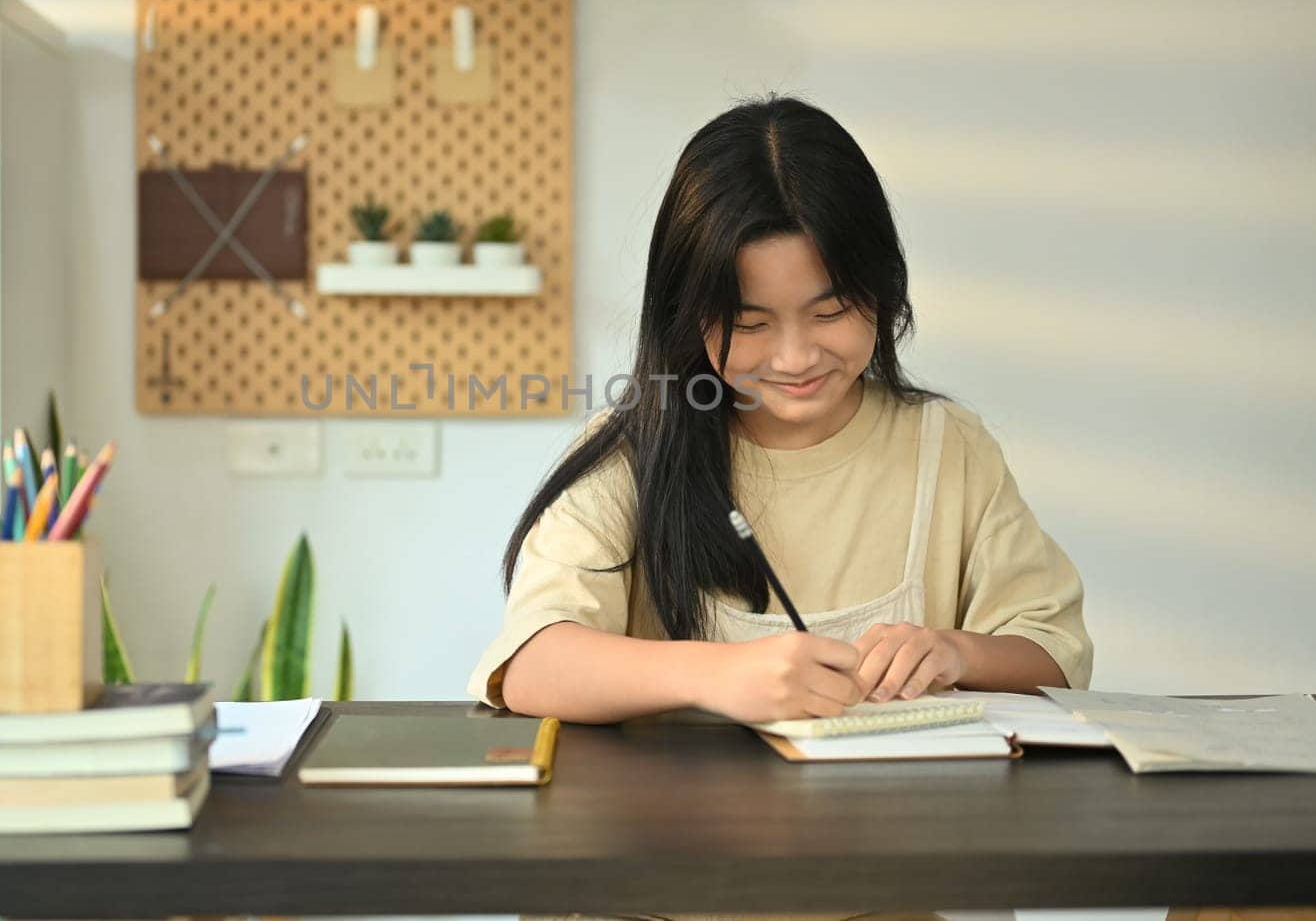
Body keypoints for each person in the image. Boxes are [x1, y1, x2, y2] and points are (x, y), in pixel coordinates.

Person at [467, 95, 1093, 921]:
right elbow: (533, 663)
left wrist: (954, 651)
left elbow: (1053, 652)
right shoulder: (634, 451)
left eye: (830, 310)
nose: (795, 357)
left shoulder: (949, 446)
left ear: (884, 286)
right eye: (750, 323)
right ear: (691, 317)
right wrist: (725, 675)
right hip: (660, 894)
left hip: (883, 898)